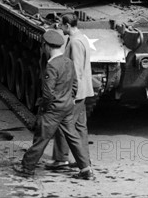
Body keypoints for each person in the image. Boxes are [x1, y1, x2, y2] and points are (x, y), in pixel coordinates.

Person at [14, 29, 92, 179]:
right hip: (68, 107)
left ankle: (27, 167)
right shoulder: (68, 62)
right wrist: (69, 99)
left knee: (41, 138)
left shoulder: (51, 66)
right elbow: (75, 84)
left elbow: (48, 92)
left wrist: (44, 107)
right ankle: (85, 168)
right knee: (73, 137)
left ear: (46, 46)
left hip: (53, 109)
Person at [46, 14, 94, 176]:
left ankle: (61, 159)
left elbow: (77, 69)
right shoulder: (82, 38)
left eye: (61, 24)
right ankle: (84, 159)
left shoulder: (74, 42)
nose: (60, 27)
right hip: (84, 89)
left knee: (64, 125)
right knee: (80, 126)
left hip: (77, 92)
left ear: (67, 25)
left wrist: (72, 94)